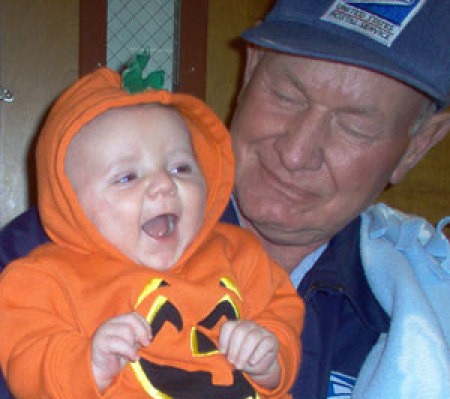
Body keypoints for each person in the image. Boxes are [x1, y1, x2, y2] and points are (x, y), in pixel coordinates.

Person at [1, 0, 450, 398]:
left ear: (417, 145)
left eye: (355, 127)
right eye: (286, 96)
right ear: (250, 70)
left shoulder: (421, 323)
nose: (295, 153)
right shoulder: (30, 261)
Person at [0, 66, 303, 398]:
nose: (164, 184)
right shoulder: (42, 280)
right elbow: (27, 361)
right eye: (127, 177)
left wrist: (271, 355)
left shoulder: (240, 254)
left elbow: (282, 311)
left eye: (180, 168)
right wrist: (88, 363)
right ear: (69, 202)